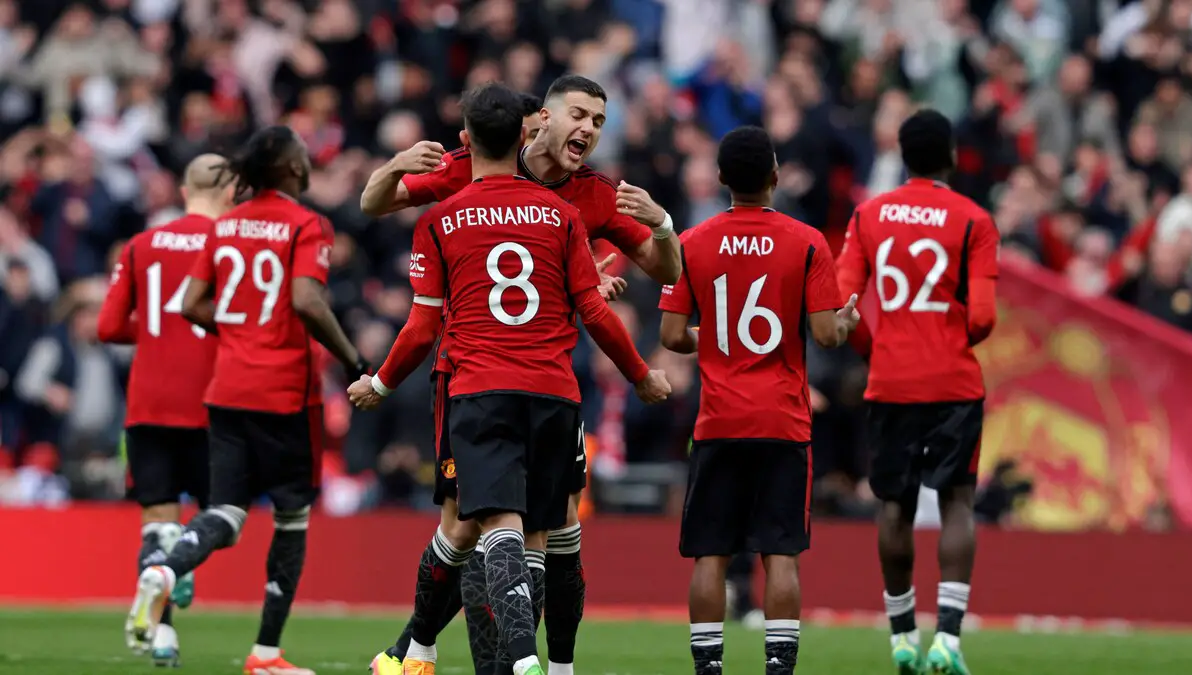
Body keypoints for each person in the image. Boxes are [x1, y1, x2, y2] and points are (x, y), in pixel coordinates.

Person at [348, 82, 671, 675]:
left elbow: (660, 265)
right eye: (579, 115)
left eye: (599, 120)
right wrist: (636, 365)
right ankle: (423, 649)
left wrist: (381, 383)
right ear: (537, 123)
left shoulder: (586, 197)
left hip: (502, 382)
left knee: (531, 529)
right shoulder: (539, 204)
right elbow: (375, 202)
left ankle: (455, 655)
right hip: (506, 381)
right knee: (480, 526)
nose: (590, 130)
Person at [126, 126, 370, 675]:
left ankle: (164, 570)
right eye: (302, 156)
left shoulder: (226, 223)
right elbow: (306, 299)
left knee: (226, 512)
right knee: (292, 519)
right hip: (284, 394)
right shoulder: (308, 224)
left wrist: (238, 332)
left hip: (226, 390)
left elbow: (191, 303)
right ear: (287, 168)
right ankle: (265, 654)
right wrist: (355, 361)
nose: (308, 164)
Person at [658, 126, 860, 675]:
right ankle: (778, 668)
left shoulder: (693, 241)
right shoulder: (808, 241)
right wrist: (844, 324)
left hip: (719, 419)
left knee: (711, 554)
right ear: (774, 176)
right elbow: (823, 336)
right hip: (782, 419)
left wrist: (721, 337)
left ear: (721, 178)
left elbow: (673, 335)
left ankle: (708, 669)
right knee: (781, 554)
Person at [835, 109, 999, 675]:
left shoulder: (869, 215)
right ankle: (948, 642)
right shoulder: (974, 219)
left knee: (894, 506)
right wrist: (951, 334)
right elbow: (982, 317)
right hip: (953, 379)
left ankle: (902, 636)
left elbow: (842, 304)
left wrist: (872, 348)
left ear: (903, 157)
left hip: (891, 379)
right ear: (950, 156)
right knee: (956, 501)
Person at [100, 154, 234, 666]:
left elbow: (110, 328)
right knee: (223, 511)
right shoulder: (230, 245)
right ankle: (183, 559)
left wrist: (157, 331)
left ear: (183, 190)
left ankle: (162, 637)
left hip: (148, 403)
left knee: (156, 523)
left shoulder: (140, 245)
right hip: (212, 402)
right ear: (229, 194)